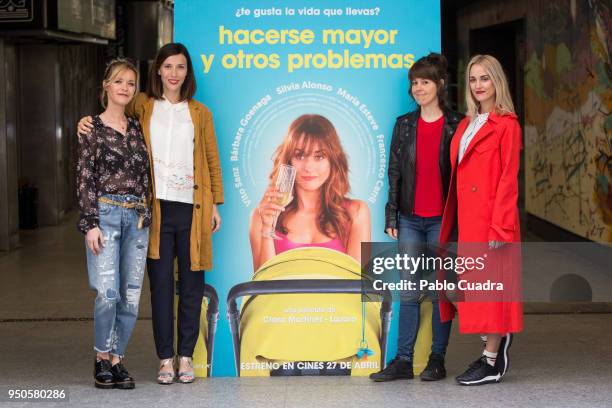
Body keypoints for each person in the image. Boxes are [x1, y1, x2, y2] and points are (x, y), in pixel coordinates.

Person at [78, 43, 224, 384]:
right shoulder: (143, 105)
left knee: (191, 286)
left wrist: (215, 202)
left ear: (188, 73)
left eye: (181, 67)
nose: (174, 73)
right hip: (153, 211)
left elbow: (211, 159)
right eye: (168, 66)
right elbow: (109, 118)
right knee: (158, 288)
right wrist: (85, 122)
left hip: (192, 208)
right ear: (157, 70)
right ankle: (164, 360)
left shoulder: (199, 113)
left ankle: (185, 357)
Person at [370, 53, 463, 383]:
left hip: (443, 220)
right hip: (409, 219)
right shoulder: (404, 124)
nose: (417, 88)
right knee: (408, 290)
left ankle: (437, 359)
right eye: (414, 82)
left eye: (424, 81)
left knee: (440, 291)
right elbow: (394, 173)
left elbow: (464, 177)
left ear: (439, 84)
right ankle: (403, 361)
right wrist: (391, 214)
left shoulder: (457, 125)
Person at [439, 54, 523, 385]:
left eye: (485, 78)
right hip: (465, 219)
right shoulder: (465, 124)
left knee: (489, 292)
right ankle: (495, 339)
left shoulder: (508, 125)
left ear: (497, 82)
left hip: (491, 221)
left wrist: (501, 225)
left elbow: (508, 178)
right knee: (466, 289)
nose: (478, 86)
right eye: (473, 79)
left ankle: (492, 361)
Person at [76, 58, 150, 389]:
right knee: (107, 293)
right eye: (119, 81)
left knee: (131, 296)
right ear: (106, 85)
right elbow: (84, 177)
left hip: (137, 218)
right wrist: (90, 222)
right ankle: (101, 358)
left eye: (131, 83)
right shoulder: (91, 127)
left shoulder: (138, 126)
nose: (125, 88)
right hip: (104, 216)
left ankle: (118, 359)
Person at [249, 114, 371, 270]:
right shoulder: (261, 216)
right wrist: (267, 228)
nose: (308, 167)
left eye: (319, 157)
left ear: (333, 161)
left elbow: (359, 285)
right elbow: (261, 288)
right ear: (289, 160)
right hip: (280, 296)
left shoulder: (357, 213)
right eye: (299, 155)